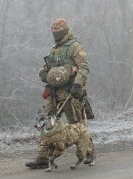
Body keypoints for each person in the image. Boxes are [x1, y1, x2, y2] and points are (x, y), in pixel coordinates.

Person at [25, 18, 94, 169]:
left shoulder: (75, 47)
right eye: (53, 30)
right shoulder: (54, 50)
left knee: (77, 125)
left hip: (71, 93)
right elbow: (45, 68)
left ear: (64, 30)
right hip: (54, 93)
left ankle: (88, 152)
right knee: (45, 122)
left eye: (58, 30)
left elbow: (84, 67)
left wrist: (77, 85)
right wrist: (44, 74)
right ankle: (43, 157)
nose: (55, 32)